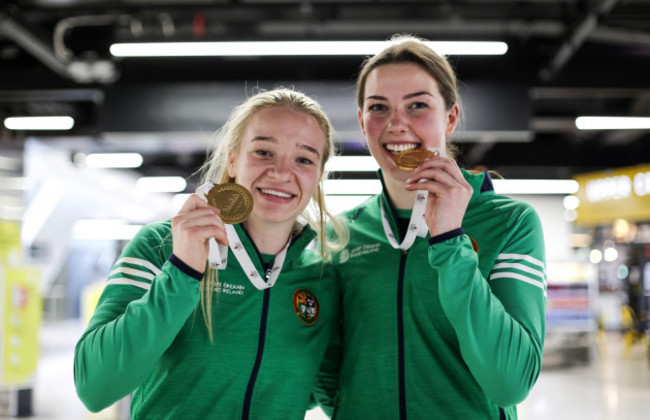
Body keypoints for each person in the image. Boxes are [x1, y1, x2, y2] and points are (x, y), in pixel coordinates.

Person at [74, 87, 347, 419]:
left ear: (318, 176)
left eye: (304, 159)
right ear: (233, 160)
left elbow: (332, 391)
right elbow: (95, 386)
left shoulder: (323, 274)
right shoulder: (162, 246)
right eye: (264, 151)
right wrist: (182, 272)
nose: (281, 172)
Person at [317, 35, 547, 419]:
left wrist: (450, 243)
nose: (396, 124)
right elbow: (326, 365)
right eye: (378, 107)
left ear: (451, 117)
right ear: (361, 122)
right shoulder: (343, 233)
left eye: (418, 105)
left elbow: (510, 382)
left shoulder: (509, 222)